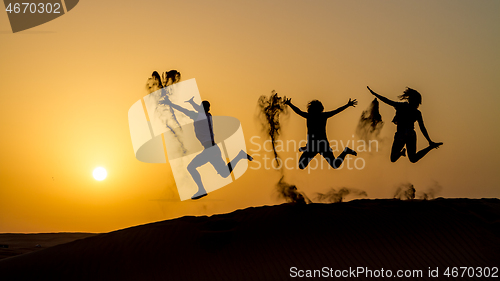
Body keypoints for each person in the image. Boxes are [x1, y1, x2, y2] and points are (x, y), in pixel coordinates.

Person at [166, 98, 253, 199]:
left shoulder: (198, 116)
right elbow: (200, 109)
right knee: (224, 173)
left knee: (191, 167)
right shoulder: (208, 115)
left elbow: (183, 110)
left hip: (209, 150)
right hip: (213, 149)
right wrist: (192, 103)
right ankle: (240, 155)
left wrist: (170, 104)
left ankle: (202, 190)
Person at [366, 86, 443, 163]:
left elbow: (388, 101)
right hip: (410, 134)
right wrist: (429, 141)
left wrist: (375, 94)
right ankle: (430, 147)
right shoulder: (416, 112)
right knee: (413, 158)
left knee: (393, 159)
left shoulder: (402, 106)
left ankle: (401, 153)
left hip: (401, 134)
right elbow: (422, 128)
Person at [285, 98, 358, 170]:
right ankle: (346, 151)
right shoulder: (312, 116)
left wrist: (347, 105)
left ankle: (346, 151)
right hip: (313, 146)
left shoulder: (318, 116)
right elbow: (298, 111)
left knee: (335, 165)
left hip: (322, 145)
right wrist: (290, 104)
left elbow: (336, 111)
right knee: (301, 165)